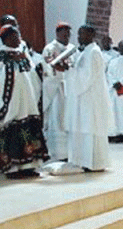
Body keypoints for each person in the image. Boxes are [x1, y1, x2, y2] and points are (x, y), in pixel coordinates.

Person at [0, 25, 49, 178]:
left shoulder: (22, 54)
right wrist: (10, 63)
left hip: (27, 103)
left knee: (28, 130)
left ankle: (29, 166)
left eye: (19, 36)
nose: (18, 39)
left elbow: (32, 75)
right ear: (6, 39)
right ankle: (12, 169)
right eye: (15, 36)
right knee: (14, 132)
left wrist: (41, 67)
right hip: (11, 106)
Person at [64, 25, 114, 171]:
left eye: (82, 34)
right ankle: (83, 161)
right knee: (83, 128)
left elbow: (87, 77)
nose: (79, 37)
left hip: (91, 99)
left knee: (91, 128)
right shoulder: (84, 52)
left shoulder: (94, 52)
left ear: (91, 35)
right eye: (79, 34)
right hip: (83, 97)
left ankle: (94, 162)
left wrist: (69, 70)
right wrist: (69, 69)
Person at [41, 22, 73, 161]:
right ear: (58, 33)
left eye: (69, 34)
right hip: (55, 89)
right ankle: (57, 153)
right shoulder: (50, 48)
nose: (67, 36)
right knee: (56, 119)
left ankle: (70, 152)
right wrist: (59, 67)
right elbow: (47, 67)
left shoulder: (71, 48)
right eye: (64, 33)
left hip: (70, 88)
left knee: (69, 120)